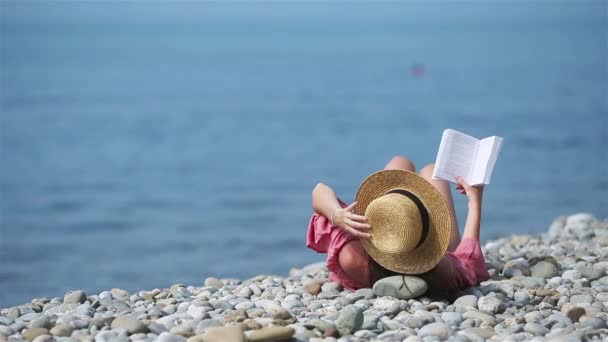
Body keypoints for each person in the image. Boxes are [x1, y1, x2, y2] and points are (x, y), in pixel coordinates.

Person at [307, 156, 490, 295]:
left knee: (400, 161)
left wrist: (336, 215)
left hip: (386, 250)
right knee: (432, 171)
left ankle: (398, 204)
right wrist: (475, 199)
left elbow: (319, 191)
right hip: (429, 245)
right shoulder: (438, 268)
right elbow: (470, 262)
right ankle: (413, 201)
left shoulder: (352, 256)